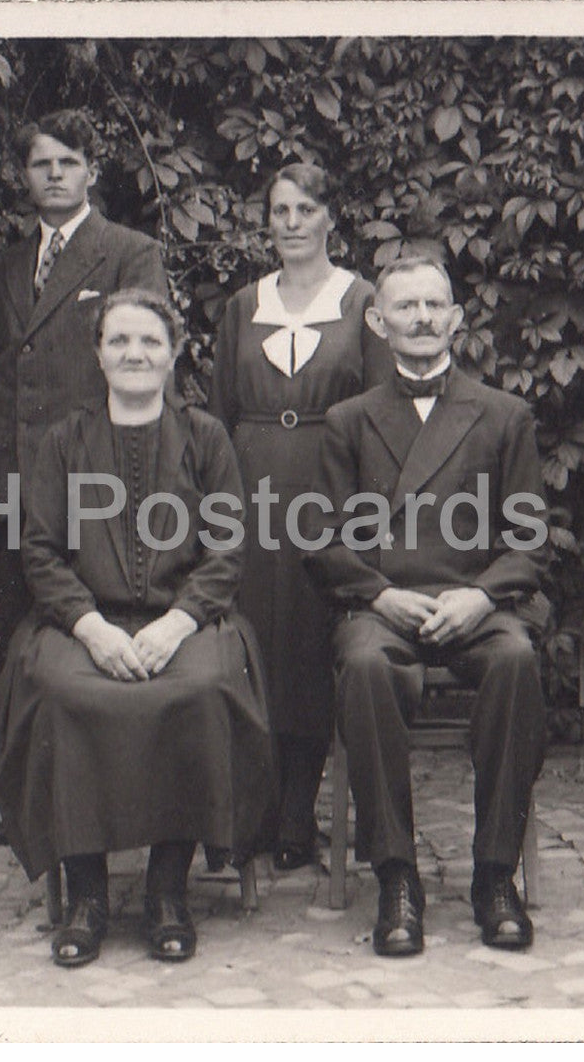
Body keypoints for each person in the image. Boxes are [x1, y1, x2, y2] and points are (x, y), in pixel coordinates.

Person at [0, 289, 273, 968]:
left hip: (185, 621)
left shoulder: (206, 438)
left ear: (173, 352)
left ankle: (167, 890)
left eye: (149, 341)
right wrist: (91, 629)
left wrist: (177, 623)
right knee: (64, 691)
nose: (134, 354)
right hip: (84, 620)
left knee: (201, 689)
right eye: (118, 341)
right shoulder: (64, 439)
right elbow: (40, 550)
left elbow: (226, 548)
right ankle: (87, 894)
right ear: (97, 354)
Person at [303, 256, 550, 955]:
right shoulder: (348, 420)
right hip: (383, 605)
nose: (420, 317)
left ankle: (494, 875)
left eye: (433, 305)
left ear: (455, 318)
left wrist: (479, 594)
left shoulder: (503, 415)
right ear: (378, 323)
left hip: (477, 604)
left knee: (514, 660)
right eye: (404, 306)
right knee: (366, 666)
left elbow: (530, 540)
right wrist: (380, 593)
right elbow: (318, 538)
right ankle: (395, 876)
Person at [0, 109, 166, 759]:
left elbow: (144, 368)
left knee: (90, 625)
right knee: (11, 633)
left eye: (67, 162)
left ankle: (92, 779)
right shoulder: (8, 264)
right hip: (3, 476)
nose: (53, 174)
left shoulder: (129, 252)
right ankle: (18, 789)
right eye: (41, 163)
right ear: (24, 175)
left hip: (89, 476)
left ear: (91, 172)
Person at [208, 163, 392, 872]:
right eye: (278, 209)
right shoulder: (240, 305)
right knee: (254, 635)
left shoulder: (362, 299)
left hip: (329, 479)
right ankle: (252, 812)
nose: (290, 222)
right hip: (251, 480)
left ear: (327, 218)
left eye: (304, 208)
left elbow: (380, 408)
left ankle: (297, 813)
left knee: (314, 639)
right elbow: (219, 408)